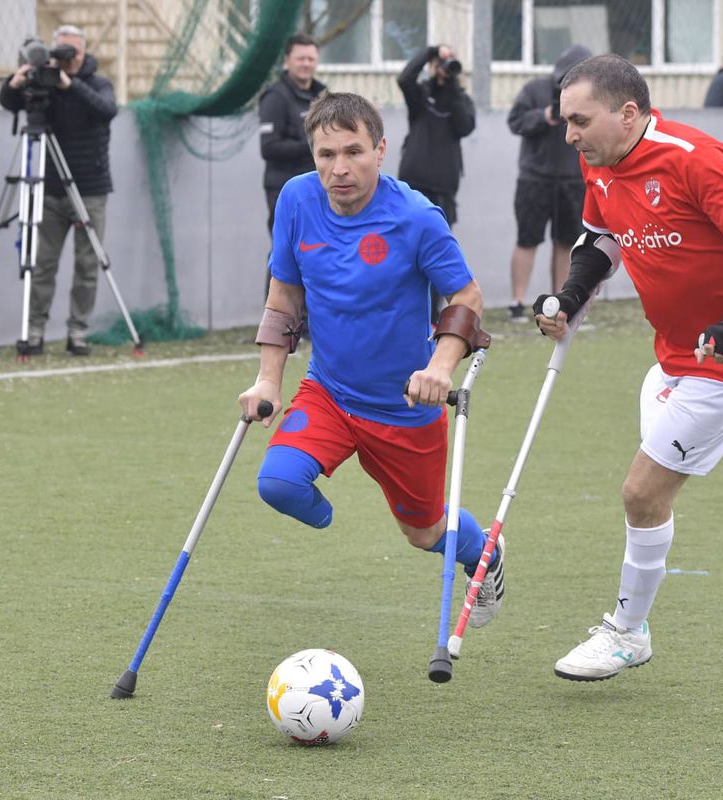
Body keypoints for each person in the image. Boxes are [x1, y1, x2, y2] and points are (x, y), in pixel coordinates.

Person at [539, 54, 723, 682]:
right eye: (566, 121)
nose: (569, 134)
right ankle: (636, 624)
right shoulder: (597, 160)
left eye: (580, 120)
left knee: (641, 490)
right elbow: (601, 239)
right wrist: (568, 299)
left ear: (628, 114)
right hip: (671, 355)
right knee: (652, 498)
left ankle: (626, 631)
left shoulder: (692, 156)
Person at [237, 92, 505, 629]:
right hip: (330, 392)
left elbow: (467, 298)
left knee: (424, 533)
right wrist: (268, 380)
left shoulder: (415, 216)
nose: (340, 168)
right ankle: (329, 506)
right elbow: (284, 296)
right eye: (326, 154)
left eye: (354, 152)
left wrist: (440, 368)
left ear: (381, 151)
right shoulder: (296, 200)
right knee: (280, 484)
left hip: (404, 407)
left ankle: (486, 553)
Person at [0, 25, 116, 356]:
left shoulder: (97, 83)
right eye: (59, 51)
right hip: (48, 188)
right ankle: (33, 330)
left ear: (82, 52)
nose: (64, 59)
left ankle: (77, 332)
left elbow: (107, 110)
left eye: (71, 52)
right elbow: (9, 102)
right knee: (43, 262)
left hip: (89, 189)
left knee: (87, 265)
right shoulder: (43, 82)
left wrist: (71, 85)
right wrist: (17, 81)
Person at [505, 44, 592, 323]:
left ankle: (561, 302)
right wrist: (544, 116)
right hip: (534, 178)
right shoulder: (535, 90)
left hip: (572, 180)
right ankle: (517, 302)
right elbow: (515, 121)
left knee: (566, 243)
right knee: (527, 240)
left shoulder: (591, 96)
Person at [396, 45, 476, 228]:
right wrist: (432, 52)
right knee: (407, 242)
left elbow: (465, 127)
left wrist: (452, 86)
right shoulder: (421, 95)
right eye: (439, 64)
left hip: (444, 187)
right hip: (413, 183)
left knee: (438, 245)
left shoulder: (461, 99)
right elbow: (404, 79)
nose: (443, 67)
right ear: (430, 66)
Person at [258, 34, 327, 235]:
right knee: (286, 250)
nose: (306, 64)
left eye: (311, 59)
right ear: (287, 61)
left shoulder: (321, 94)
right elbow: (268, 147)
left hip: (317, 186)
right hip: (284, 188)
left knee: (316, 248)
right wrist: (315, 146)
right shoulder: (275, 97)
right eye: (300, 58)